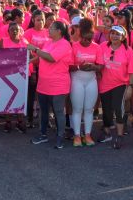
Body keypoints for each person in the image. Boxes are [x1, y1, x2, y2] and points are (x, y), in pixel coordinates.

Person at [29, 21, 72, 149]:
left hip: (58, 84)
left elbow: (51, 57)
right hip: (44, 83)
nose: (48, 30)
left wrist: (35, 49)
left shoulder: (65, 44)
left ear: (59, 31)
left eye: (52, 28)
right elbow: (42, 56)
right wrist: (29, 61)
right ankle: (43, 134)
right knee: (43, 111)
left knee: (58, 111)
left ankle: (60, 136)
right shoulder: (48, 42)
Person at [98, 25, 133, 149]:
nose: (114, 36)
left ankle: (119, 135)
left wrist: (130, 86)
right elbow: (99, 63)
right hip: (105, 83)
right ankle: (107, 131)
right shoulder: (103, 46)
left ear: (123, 36)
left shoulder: (128, 50)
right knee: (106, 109)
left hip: (120, 84)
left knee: (118, 108)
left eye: (117, 34)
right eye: (112, 33)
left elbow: (131, 70)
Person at [69, 19, 102, 147]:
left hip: (91, 80)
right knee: (77, 109)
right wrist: (79, 67)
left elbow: (100, 66)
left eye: (90, 39)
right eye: (85, 39)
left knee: (89, 109)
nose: (87, 42)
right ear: (80, 36)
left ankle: (87, 134)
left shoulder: (97, 47)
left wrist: (94, 67)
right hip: (77, 79)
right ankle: (77, 135)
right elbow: (69, 66)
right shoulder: (73, 46)